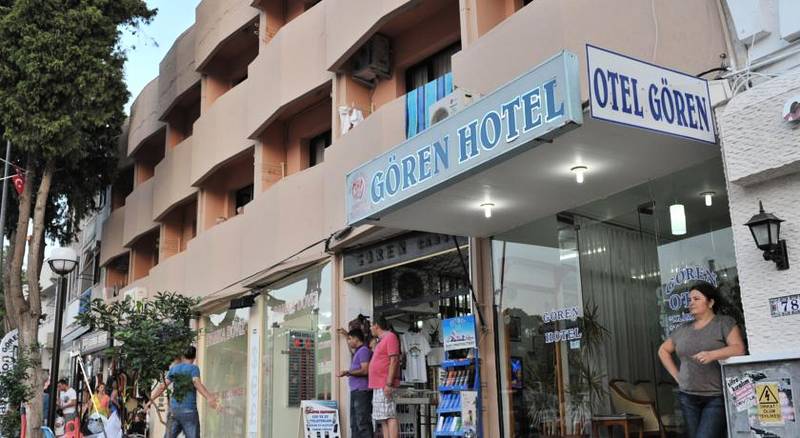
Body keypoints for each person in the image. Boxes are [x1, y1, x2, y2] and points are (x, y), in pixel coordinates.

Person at [658, 282, 746, 438]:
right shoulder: (683, 329)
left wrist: (712, 355)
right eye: (690, 299)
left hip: (715, 397)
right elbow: (663, 350)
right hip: (687, 397)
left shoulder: (723, 323)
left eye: (696, 299)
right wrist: (677, 376)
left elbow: (739, 349)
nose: (691, 303)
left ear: (710, 302)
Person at [149, 346, 220, 438]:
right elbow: (196, 382)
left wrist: (151, 400)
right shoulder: (193, 368)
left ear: (183, 356)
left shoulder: (174, 368)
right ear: (194, 357)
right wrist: (209, 397)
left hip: (174, 410)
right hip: (188, 410)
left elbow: (162, 386)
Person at [368, 315, 401, 438]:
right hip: (378, 384)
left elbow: (394, 360)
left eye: (371, 325)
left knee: (390, 415)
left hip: (385, 383)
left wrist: (389, 383)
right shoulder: (381, 340)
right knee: (383, 418)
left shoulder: (390, 337)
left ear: (376, 325)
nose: (370, 328)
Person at [337, 328, 373, 438]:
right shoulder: (358, 351)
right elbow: (351, 350)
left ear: (356, 339)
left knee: (362, 422)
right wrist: (346, 335)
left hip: (362, 390)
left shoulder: (363, 351)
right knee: (354, 423)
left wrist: (348, 372)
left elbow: (365, 370)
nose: (348, 341)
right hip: (356, 390)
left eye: (350, 339)